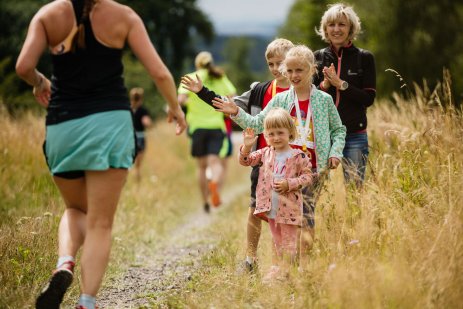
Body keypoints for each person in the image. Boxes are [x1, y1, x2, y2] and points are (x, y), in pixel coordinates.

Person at [15, 0, 186, 308]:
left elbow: (23, 67)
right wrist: (175, 108)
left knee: (75, 211)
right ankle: (86, 301)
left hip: (62, 127)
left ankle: (64, 263)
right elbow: (160, 73)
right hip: (109, 127)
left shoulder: (48, 15)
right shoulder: (123, 16)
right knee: (100, 223)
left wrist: (40, 81)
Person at [182, 44, 346, 268]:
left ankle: (305, 267)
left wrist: (335, 153)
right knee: (283, 219)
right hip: (282, 169)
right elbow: (256, 123)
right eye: (290, 71)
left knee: (307, 217)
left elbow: (339, 130)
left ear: (312, 69)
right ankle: (283, 265)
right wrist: (236, 112)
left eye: (299, 70)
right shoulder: (279, 100)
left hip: (312, 171)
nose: (293, 75)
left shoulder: (324, 101)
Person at [182, 38, 293, 272]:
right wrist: (202, 92)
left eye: (280, 63)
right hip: (264, 161)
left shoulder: (301, 91)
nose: (275, 69)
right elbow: (229, 104)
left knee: (288, 213)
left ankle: (285, 263)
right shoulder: (259, 91)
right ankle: (250, 260)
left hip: (295, 162)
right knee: (255, 209)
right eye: (271, 63)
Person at [239, 108, 313, 282]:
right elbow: (246, 161)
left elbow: (309, 177)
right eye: (271, 134)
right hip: (271, 206)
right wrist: (247, 146)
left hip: (289, 208)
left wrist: (290, 184)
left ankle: (285, 271)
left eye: (280, 133)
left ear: (290, 132)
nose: (276, 137)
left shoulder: (298, 156)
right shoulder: (265, 153)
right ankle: (277, 269)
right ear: (265, 135)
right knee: (276, 238)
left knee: (288, 240)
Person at [313, 3, 376, 187]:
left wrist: (341, 84)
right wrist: (324, 85)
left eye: (342, 24)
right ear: (325, 28)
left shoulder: (364, 58)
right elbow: (309, 97)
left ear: (351, 28)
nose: (336, 29)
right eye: (331, 25)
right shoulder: (317, 57)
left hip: (354, 134)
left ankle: (357, 219)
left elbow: (368, 98)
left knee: (355, 191)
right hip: (322, 135)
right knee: (311, 193)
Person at [177, 51, 236, 212]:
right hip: (216, 125)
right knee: (215, 162)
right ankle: (215, 183)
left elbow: (180, 101)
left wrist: (189, 102)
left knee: (201, 167)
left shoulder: (190, 77)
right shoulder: (220, 77)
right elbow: (233, 97)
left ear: (197, 64)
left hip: (196, 127)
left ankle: (205, 201)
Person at [130, 87, 153, 182]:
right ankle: (137, 179)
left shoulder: (128, 109)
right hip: (140, 137)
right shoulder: (143, 110)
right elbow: (147, 123)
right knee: (138, 164)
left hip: (129, 137)